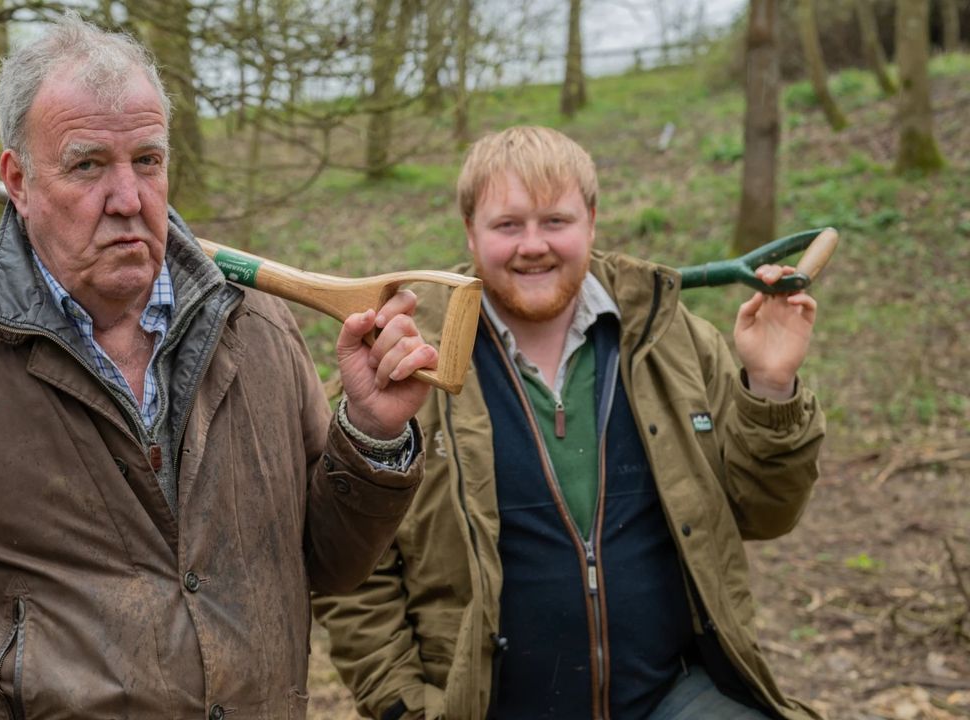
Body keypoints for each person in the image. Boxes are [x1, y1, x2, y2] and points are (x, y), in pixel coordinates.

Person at [0, 15, 438, 719]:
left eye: (147, 161)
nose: (128, 198)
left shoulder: (257, 330)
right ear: (16, 180)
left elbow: (328, 566)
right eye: (87, 165)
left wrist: (372, 434)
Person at [312, 126, 827, 720]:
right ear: (470, 233)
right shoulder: (403, 362)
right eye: (508, 225)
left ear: (592, 220)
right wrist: (405, 707)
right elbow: (352, 573)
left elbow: (767, 514)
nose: (533, 245)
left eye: (556, 221)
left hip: (676, 696)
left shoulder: (673, 339)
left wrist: (769, 385)